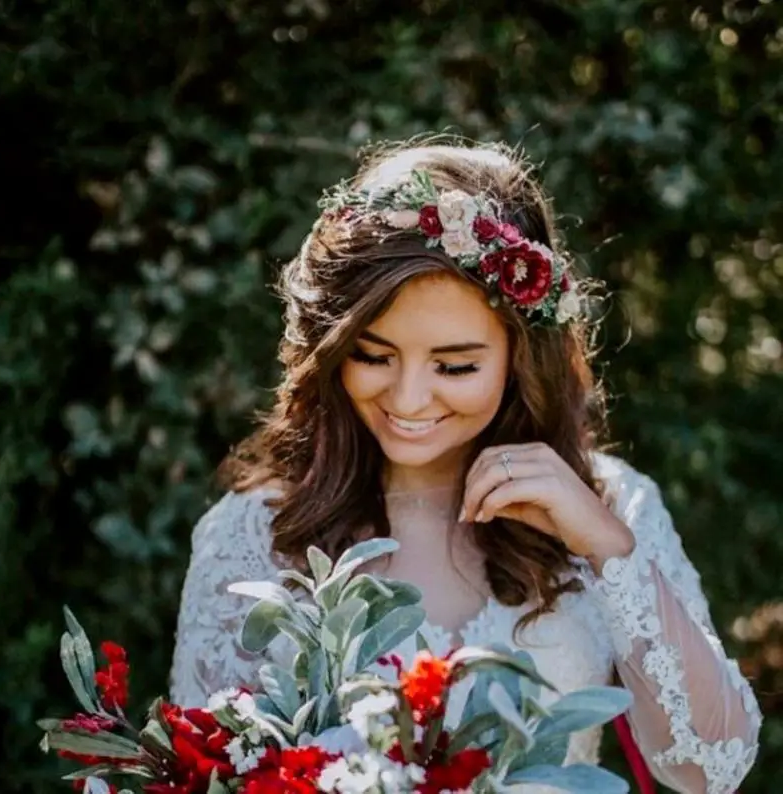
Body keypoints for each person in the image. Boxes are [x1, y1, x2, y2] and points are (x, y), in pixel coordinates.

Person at [169, 140, 761, 793]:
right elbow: (204, 775)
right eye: (373, 355)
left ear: (521, 353)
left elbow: (711, 769)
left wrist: (605, 547)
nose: (408, 398)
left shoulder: (616, 507)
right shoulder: (255, 530)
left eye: (455, 366)